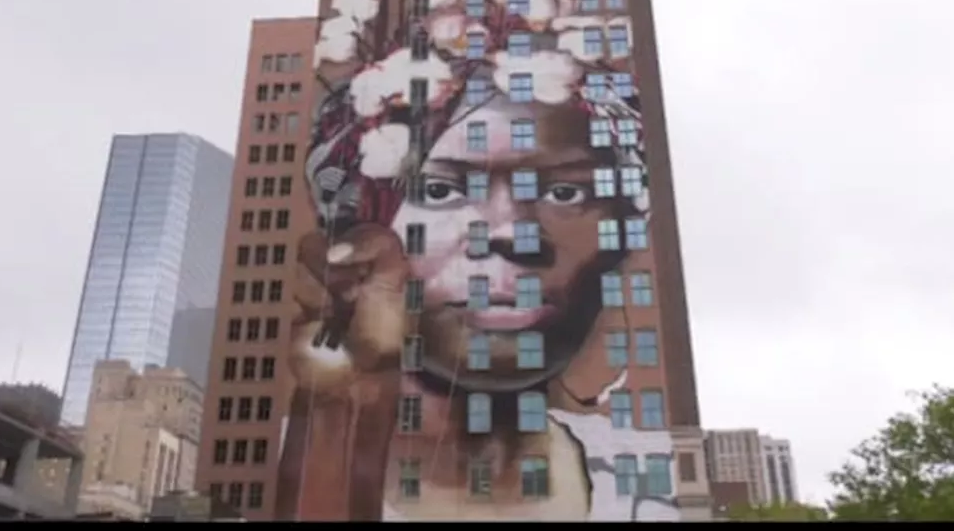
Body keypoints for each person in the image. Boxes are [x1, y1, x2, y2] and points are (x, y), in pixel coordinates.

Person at [274, 30, 678, 520]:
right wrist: (338, 406)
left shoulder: (655, 484)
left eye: (566, 194)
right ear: (358, 234)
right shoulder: (304, 449)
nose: (511, 231)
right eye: (441, 191)